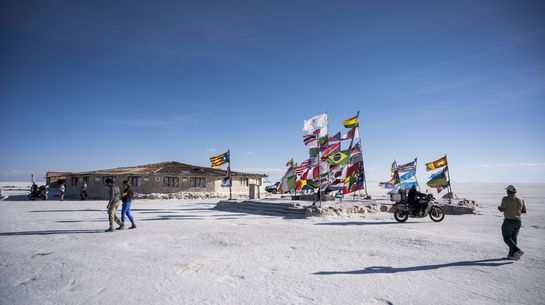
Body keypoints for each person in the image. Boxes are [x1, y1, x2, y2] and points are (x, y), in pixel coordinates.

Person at [498, 185, 527, 260]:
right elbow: (524, 211)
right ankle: (512, 255)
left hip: (509, 221)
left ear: (509, 191)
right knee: (513, 238)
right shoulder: (520, 199)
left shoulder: (505, 199)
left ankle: (517, 251)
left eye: (507, 191)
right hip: (518, 221)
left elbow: (502, 209)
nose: (506, 192)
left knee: (507, 238)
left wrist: (499, 208)